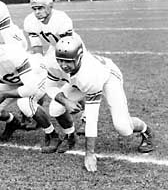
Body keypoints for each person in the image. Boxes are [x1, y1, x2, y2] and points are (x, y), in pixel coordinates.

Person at [54, 36, 154, 172]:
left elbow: (92, 117)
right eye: (60, 60)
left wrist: (89, 154)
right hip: (79, 80)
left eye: (68, 61)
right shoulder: (54, 63)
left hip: (109, 78)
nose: (63, 65)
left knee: (123, 128)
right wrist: (65, 100)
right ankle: (70, 136)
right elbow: (48, 86)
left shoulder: (89, 75)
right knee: (55, 108)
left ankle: (146, 130)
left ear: (79, 58)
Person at [0, 29, 61, 155]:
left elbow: (30, 87)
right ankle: (5, 126)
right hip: (11, 82)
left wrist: (6, 94)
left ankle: (52, 134)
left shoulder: (11, 55)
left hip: (36, 75)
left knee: (25, 104)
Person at [23, 0, 80, 131]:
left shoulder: (61, 19)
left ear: (50, 6)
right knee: (38, 72)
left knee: (75, 81)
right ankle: (35, 108)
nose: (37, 12)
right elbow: (37, 47)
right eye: (34, 8)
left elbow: (66, 45)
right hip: (54, 48)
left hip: (71, 47)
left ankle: (85, 115)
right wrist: (39, 63)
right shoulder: (30, 21)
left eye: (40, 8)